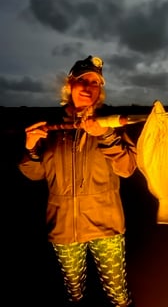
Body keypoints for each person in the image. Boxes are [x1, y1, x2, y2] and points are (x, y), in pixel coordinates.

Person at [18, 55, 137, 307]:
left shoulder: (115, 126)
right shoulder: (50, 127)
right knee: (74, 294)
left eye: (95, 82)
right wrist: (30, 149)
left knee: (118, 295)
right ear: (69, 85)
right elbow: (34, 174)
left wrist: (105, 135)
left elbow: (127, 168)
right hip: (62, 228)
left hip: (107, 227)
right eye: (82, 80)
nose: (88, 87)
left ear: (100, 90)